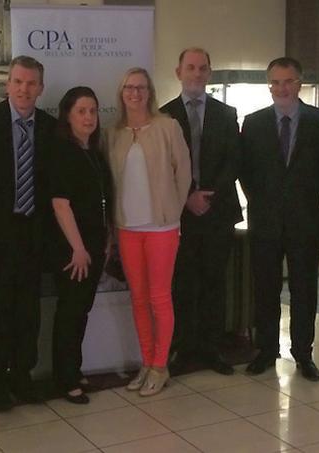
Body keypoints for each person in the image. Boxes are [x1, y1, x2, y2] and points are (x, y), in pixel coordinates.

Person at [0, 55, 57, 412]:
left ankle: (22, 375)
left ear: (41, 88)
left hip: (34, 235)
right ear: (8, 85)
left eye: (31, 83)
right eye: (18, 82)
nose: (24, 89)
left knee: (27, 313)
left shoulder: (50, 127)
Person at [240, 57, 319, 382]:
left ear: (299, 83)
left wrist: (303, 199)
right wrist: (264, 202)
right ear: (269, 85)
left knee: (304, 289)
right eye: (275, 82)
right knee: (265, 288)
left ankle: (303, 354)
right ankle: (267, 351)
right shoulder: (253, 123)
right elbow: (246, 173)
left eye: (288, 81)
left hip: (305, 219)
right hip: (265, 220)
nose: (282, 88)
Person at [107, 67, 192, 396]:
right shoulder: (112, 133)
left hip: (162, 227)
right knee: (138, 299)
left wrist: (173, 209)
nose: (135, 93)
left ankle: (160, 365)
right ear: (122, 92)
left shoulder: (167, 126)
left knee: (159, 297)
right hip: (127, 227)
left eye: (141, 87)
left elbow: (183, 172)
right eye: (129, 87)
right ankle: (146, 362)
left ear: (150, 92)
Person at [160, 47, 241, 376]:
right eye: (190, 67)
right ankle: (183, 347)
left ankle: (211, 348)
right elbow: (161, 168)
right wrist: (187, 197)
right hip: (179, 215)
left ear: (209, 73)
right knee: (182, 282)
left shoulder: (227, 113)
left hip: (218, 211)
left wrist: (208, 196)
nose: (196, 73)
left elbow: (234, 160)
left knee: (214, 282)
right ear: (178, 72)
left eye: (202, 68)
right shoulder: (163, 116)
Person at [49, 86, 112, 404]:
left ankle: (73, 368)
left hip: (95, 244)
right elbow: (60, 204)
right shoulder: (63, 152)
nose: (89, 117)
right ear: (68, 116)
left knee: (82, 310)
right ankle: (65, 377)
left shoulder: (95, 151)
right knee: (71, 311)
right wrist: (78, 248)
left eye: (93, 111)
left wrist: (106, 240)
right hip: (73, 248)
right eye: (81, 111)